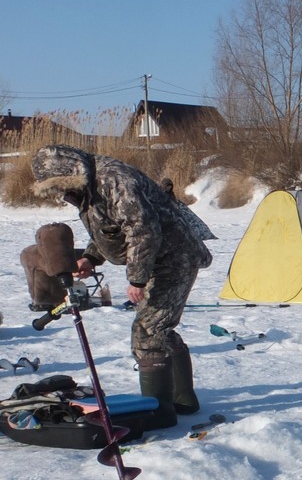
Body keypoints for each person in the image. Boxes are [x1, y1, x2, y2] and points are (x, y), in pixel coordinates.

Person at [30, 144, 213, 430]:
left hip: (174, 257)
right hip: (157, 257)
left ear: (70, 173)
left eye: (62, 187)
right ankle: (183, 398)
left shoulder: (115, 181)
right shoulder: (89, 186)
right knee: (158, 328)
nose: (63, 195)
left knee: (147, 332)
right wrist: (91, 257)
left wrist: (136, 279)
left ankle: (160, 413)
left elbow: (142, 229)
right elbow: (109, 227)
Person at [21, 222, 77, 312]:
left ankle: (42, 299)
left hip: (47, 299)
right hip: (50, 298)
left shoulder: (29, 254)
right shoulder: (33, 255)